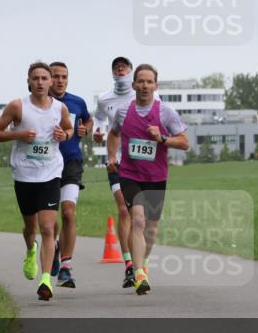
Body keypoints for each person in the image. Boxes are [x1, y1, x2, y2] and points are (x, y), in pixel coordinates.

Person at [0, 61, 73, 302]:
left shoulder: (60, 108)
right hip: (24, 174)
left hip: (50, 173)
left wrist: (64, 135)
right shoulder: (18, 106)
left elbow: (68, 129)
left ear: (50, 83)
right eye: (35, 78)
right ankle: (30, 249)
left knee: (48, 227)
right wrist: (18, 135)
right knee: (31, 228)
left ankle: (46, 280)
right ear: (28, 81)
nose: (40, 82)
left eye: (44, 78)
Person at [107, 64, 189, 296]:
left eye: (149, 82)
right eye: (140, 82)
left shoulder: (166, 112)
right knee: (138, 221)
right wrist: (112, 156)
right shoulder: (123, 112)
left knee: (151, 229)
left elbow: (184, 142)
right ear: (133, 85)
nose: (144, 86)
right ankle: (139, 272)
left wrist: (162, 138)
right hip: (130, 175)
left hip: (156, 176)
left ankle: (142, 262)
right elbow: (113, 134)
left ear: (156, 85)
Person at [93, 56, 137, 288]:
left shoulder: (144, 94)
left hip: (140, 161)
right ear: (112, 72)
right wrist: (97, 132)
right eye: (116, 67)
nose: (120, 69)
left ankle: (140, 259)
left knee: (138, 213)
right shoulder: (104, 98)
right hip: (116, 161)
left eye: (124, 66)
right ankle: (130, 264)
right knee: (124, 209)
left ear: (131, 70)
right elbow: (99, 120)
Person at [49, 61, 94, 288]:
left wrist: (86, 128)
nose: (60, 80)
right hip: (45, 166)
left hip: (71, 163)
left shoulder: (77, 102)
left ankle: (66, 266)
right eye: (55, 76)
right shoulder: (41, 103)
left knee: (68, 212)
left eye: (64, 76)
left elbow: (88, 119)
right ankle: (54, 246)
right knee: (50, 219)